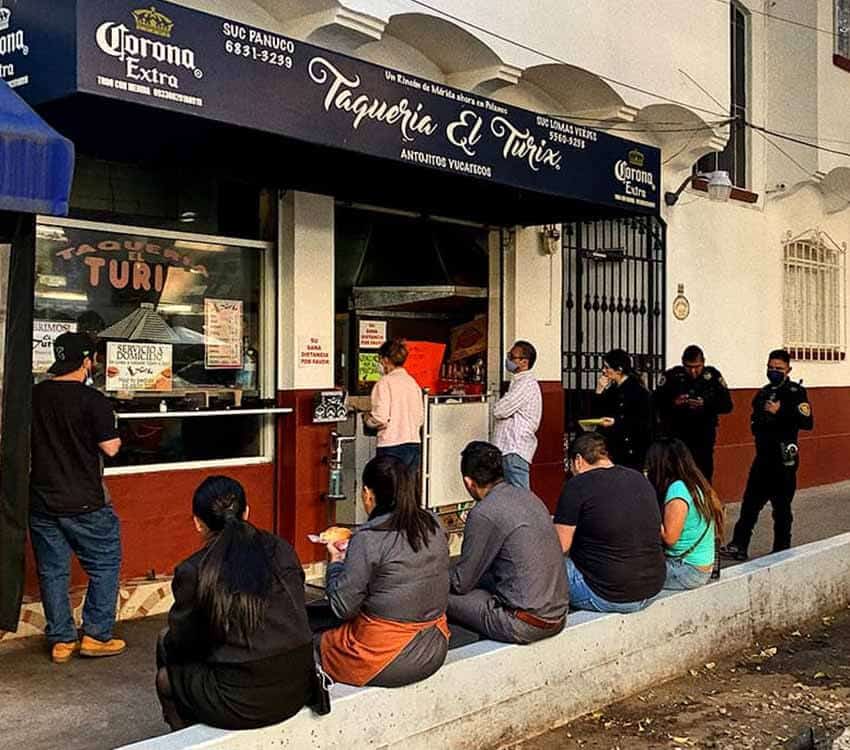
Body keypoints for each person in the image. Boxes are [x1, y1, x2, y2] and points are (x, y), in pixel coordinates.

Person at [156, 476, 317, 730]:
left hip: (241, 700)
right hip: (299, 685)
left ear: (197, 523)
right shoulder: (282, 549)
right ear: (247, 512)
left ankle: (184, 733)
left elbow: (183, 640)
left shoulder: (194, 569)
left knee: (165, 667)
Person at [29, 332, 125, 664]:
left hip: (41, 500)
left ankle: (62, 641)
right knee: (105, 563)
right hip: (86, 501)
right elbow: (110, 448)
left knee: (53, 570)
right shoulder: (93, 400)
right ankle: (96, 636)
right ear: (87, 362)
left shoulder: (34, 396)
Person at [318, 456, 450, 687]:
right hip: (436, 645)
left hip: (388, 656)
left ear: (369, 494)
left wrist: (337, 561)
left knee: (317, 642)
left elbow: (342, 606)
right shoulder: (433, 522)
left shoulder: (368, 538)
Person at [448, 441, 568, 643]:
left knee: (437, 593)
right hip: (558, 616)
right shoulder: (528, 496)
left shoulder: (483, 512)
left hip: (524, 623)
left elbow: (461, 583)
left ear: (469, 482)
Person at [554, 433, 665, 613]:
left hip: (607, 594)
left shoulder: (577, 485)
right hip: (652, 588)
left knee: (545, 563)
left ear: (578, 460)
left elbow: (559, 546)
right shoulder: (638, 478)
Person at [722, 349, 814, 561]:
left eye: (778, 369)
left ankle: (782, 548)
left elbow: (808, 423)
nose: (773, 372)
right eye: (770, 368)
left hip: (784, 459)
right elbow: (755, 419)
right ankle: (739, 544)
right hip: (763, 456)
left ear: (788, 369)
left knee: (781, 507)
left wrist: (780, 412)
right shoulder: (762, 393)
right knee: (750, 504)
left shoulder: (795, 392)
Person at [645, 438, 725, 590]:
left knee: (629, 575)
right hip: (699, 567)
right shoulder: (695, 483)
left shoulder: (677, 490)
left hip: (687, 570)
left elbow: (670, 538)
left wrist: (647, 514)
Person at [653, 345, 733, 481]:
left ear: (703, 363)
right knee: (676, 475)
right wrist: (674, 403)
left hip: (703, 437)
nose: (693, 371)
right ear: (683, 363)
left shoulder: (712, 377)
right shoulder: (672, 376)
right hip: (677, 436)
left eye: (697, 366)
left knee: (703, 475)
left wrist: (705, 404)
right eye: (689, 367)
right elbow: (655, 402)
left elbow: (727, 405)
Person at [363, 338, 424, 469]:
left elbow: (380, 418)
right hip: (413, 445)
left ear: (385, 360)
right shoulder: (413, 383)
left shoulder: (384, 383)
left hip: (391, 446)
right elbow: (420, 418)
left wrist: (367, 418)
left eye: (379, 359)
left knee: (389, 488)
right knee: (407, 487)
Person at [493, 340, 543, 490]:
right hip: (508, 447)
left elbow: (500, 410)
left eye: (511, 356)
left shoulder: (526, 384)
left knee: (520, 496)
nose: (507, 359)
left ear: (524, 362)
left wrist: (500, 406)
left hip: (515, 447)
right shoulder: (517, 382)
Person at [592, 348, 652, 471]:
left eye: (607, 367)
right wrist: (599, 391)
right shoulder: (613, 390)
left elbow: (641, 421)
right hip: (613, 446)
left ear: (619, 370)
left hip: (630, 450)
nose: (604, 371)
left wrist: (616, 423)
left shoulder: (637, 391)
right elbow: (598, 411)